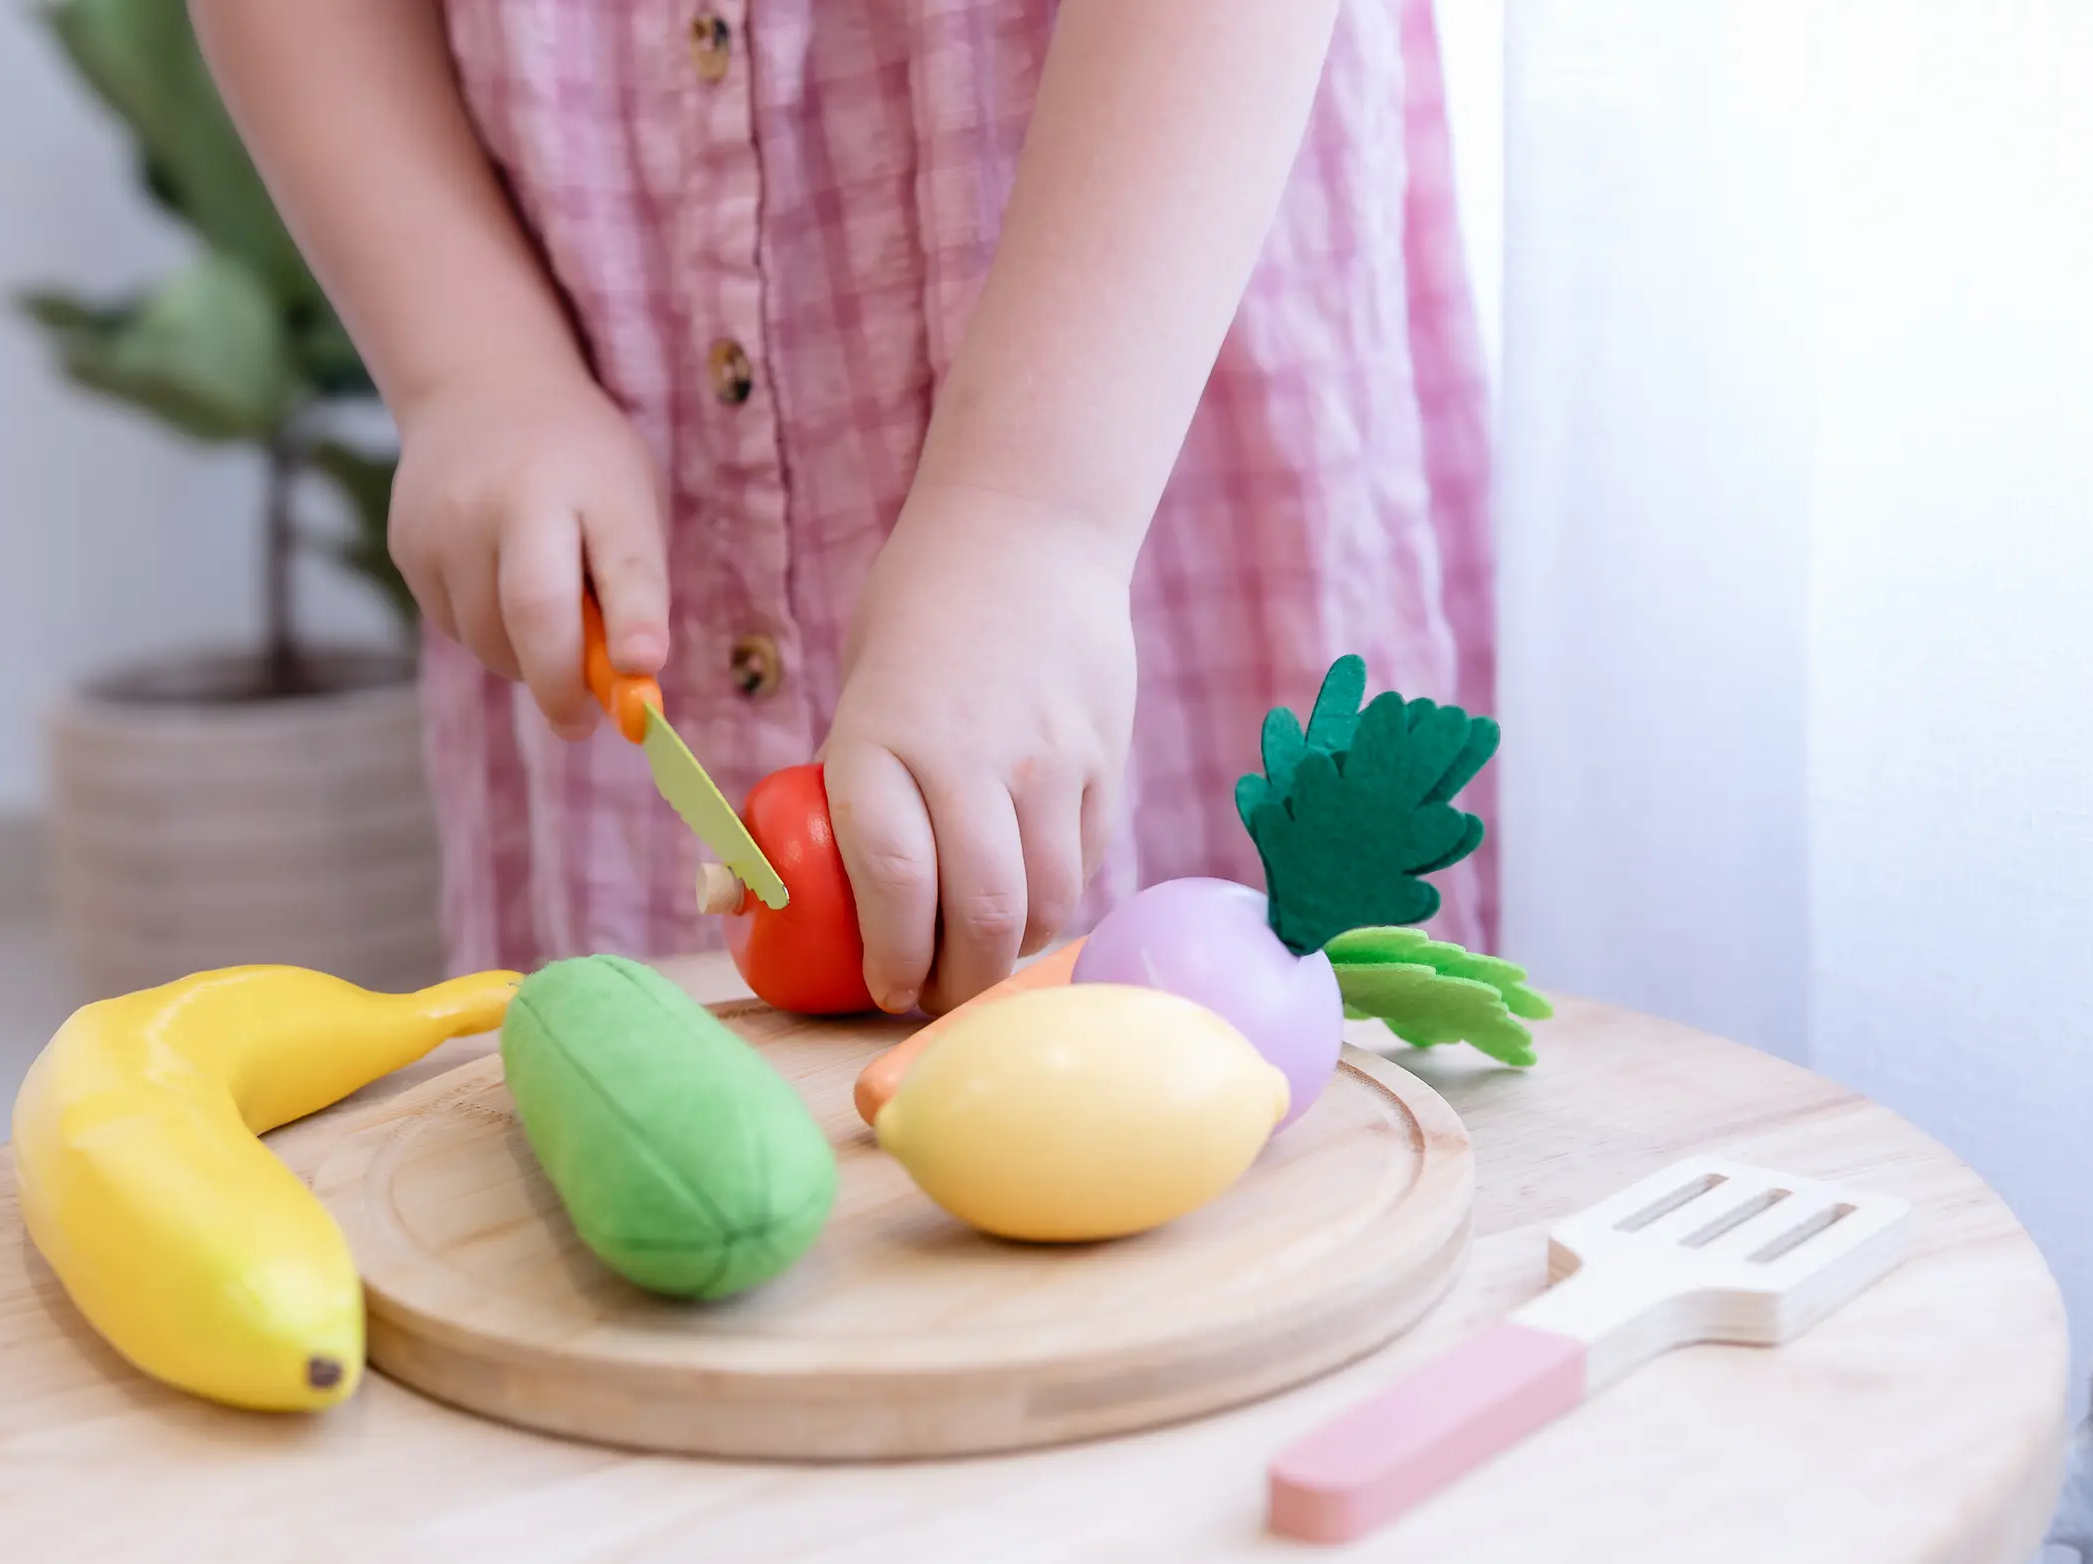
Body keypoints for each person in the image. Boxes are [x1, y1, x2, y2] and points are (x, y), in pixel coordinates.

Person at [191, 0, 1495, 1012]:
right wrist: (474, 368)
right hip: (595, 394)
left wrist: (1034, 518)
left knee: (1249, 1156)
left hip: (1129, 373)